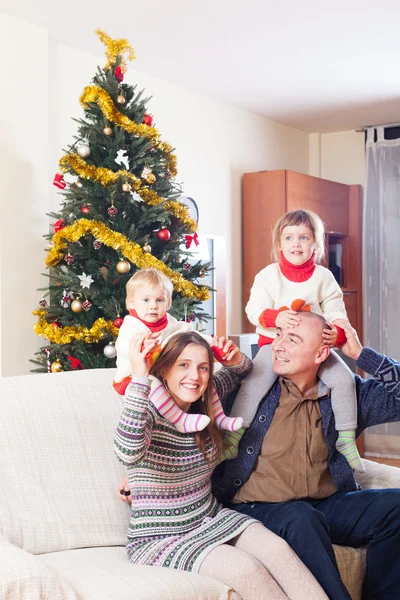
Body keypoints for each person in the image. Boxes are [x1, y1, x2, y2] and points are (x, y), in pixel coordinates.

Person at [114, 330, 328, 600]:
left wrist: (232, 356)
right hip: (161, 538)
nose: (195, 376)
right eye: (183, 365)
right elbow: (127, 451)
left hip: (211, 517)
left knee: (278, 549)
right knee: (246, 569)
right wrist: (140, 376)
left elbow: (243, 370)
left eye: (203, 367)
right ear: (164, 369)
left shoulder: (206, 401)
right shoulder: (149, 411)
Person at [212, 312, 400, 600]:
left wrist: (361, 354)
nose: (278, 345)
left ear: (322, 353)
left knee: (395, 506)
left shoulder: (346, 396)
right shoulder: (247, 388)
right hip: (256, 510)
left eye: (293, 339)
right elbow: (186, 414)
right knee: (301, 517)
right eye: (278, 335)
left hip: (325, 505)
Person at [230, 209, 363, 472]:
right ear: (279, 243)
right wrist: (275, 318)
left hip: (314, 349)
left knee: (344, 379)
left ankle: (346, 438)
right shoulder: (268, 276)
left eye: (304, 237)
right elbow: (253, 310)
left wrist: (336, 333)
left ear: (316, 243)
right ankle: (233, 436)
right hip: (274, 345)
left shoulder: (324, 278)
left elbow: (336, 312)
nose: (296, 244)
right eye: (289, 238)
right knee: (253, 384)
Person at [113, 268, 242, 434]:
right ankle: (181, 420)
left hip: (160, 371)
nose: (153, 306)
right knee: (153, 384)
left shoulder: (170, 323)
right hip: (132, 379)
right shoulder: (131, 327)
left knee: (208, 381)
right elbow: (125, 349)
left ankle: (219, 417)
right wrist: (145, 347)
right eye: (146, 300)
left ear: (168, 304)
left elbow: (190, 333)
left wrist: (214, 345)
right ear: (131, 303)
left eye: (159, 300)